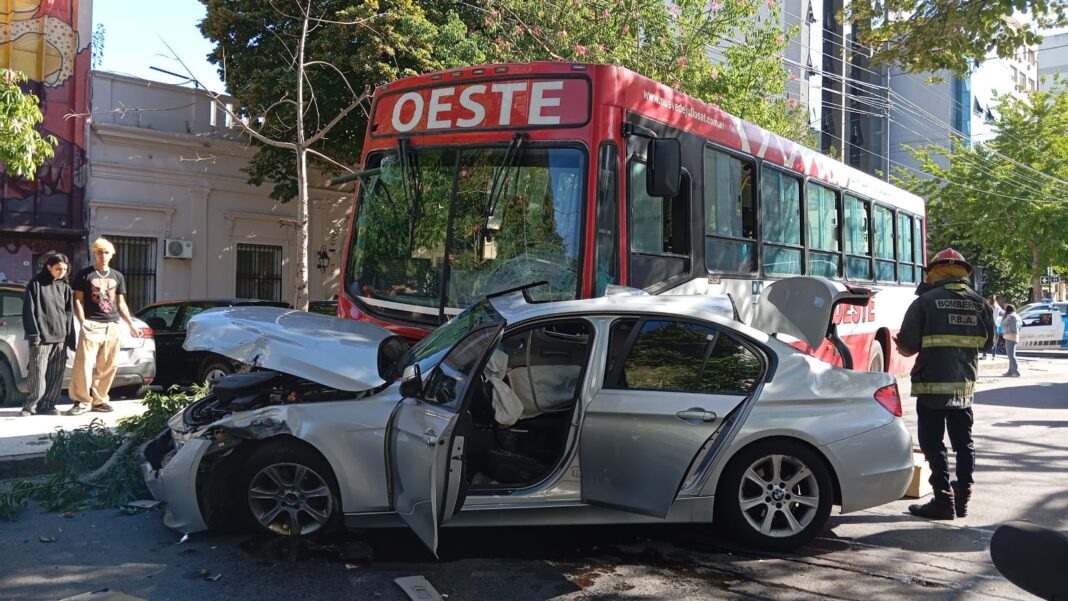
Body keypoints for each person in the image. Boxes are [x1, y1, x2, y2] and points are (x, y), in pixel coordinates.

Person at [894, 248, 995, 520]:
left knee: (932, 441)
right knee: (964, 441)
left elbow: (907, 346)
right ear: (964, 272)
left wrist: (901, 344)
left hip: (931, 387)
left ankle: (943, 500)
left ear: (934, 272)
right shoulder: (981, 303)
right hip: (964, 387)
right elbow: (989, 343)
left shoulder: (925, 302)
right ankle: (963, 497)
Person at [66, 238, 142, 415]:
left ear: (112, 255)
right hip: (92, 324)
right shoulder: (84, 275)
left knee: (108, 365)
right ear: (94, 253)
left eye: (106, 252)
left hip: (113, 324)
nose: (103, 256)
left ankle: (99, 400)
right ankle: (82, 400)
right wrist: (84, 322)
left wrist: (131, 324)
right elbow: (77, 300)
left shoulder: (117, 276)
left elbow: (121, 302)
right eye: (100, 252)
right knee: (83, 364)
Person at [20, 254, 75, 416]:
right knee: (37, 373)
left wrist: (70, 338)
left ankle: (48, 405)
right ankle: (31, 406)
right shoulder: (36, 284)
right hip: (41, 338)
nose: (62, 272)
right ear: (49, 267)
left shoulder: (65, 287)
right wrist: (34, 335)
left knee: (55, 374)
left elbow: (69, 313)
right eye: (58, 269)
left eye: (65, 269)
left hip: (60, 337)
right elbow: (28, 311)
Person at [982, 295, 1005, 359]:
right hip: (996, 324)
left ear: (989, 299)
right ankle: (993, 356)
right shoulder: (997, 307)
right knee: (995, 340)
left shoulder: (987, 306)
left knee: (985, 339)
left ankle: (984, 355)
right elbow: (1003, 313)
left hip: (988, 324)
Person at [1001, 304, 1021, 377]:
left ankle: (1016, 371)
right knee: (1011, 355)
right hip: (1015, 336)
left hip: (1010, 337)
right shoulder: (1017, 316)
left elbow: (1002, 324)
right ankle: (1010, 371)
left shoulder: (1010, 316)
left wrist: (1004, 316)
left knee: (1011, 355)